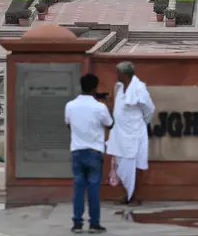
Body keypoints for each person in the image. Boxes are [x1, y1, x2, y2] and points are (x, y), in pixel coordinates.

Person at [65, 73, 113, 234]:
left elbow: (68, 125)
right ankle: (94, 224)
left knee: (78, 188)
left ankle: (77, 224)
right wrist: (107, 102)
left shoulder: (70, 105)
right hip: (94, 152)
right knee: (93, 189)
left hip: (77, 152)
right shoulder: (100, 107)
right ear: (95, 88)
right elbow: (110, 124)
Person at [106, 61, 155, 206]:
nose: (116, 75)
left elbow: (150, 110)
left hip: (136, 134)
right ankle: (126, 194)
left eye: (118, 73)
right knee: (121, 165)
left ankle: (136, 196)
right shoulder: (120, 88)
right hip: (120, 135)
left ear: (125, 74)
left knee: (138, 165)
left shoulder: (139, 89)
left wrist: (139, 124)